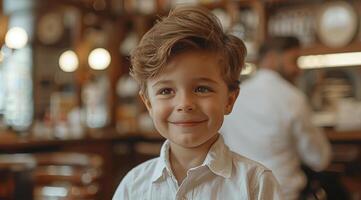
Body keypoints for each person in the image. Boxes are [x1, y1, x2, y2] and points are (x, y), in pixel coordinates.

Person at [113, 6, 283, 200]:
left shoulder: (256, 184)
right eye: (166, 91)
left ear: (229, 100)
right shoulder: (133, 187)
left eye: (202, 89)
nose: (185, 104)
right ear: (149, 104)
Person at [221, 36, 332, 200]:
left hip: (237, 193)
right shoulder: (292, 97)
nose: (298, 70)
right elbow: (319, 158)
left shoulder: (233, 97)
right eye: (294, 61)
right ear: (271, 58)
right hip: (282, 193)